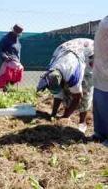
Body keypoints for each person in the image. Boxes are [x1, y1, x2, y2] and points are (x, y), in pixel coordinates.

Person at [37, 38, 94, 133]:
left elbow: (78, 97)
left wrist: (65, 117)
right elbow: (58, 94)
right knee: (68, 91)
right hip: (67, 49)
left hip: (91, 53)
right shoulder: (51, 70)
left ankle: (82, 123)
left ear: (63, 80)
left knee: (85, 91)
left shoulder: (73, 74)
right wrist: (53, 114)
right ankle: (67, 113)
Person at [93, 16, 108, 144]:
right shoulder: (105, 23)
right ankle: (101, 134)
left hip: (102, 73)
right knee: (101, 107)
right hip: (102, 73)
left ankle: (101, 134)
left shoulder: (104, 23)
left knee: (102, 107)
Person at [0, 24, 24, 90]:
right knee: (7, 78)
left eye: (19, 33)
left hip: (16, 62)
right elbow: (0, 48)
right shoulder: (6, 38)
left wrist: (18, 60)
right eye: (17, 32)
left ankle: (8, 90)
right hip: (8, 61)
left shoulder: (17, 39)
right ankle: (6, 91)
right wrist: (4, 56)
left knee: (14, 77)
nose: (18, 34)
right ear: (13, 31)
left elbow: (17, 51)